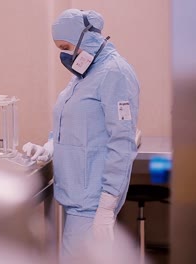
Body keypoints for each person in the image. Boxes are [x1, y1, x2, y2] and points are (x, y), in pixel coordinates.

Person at [23, 8, 139, 260]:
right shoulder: (83, 75)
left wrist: (106, 207)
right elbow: (73, 126)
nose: (63, 55)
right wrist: (49, 147)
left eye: (65, 46)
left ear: (84, 38)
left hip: (92, 203)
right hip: (75, 198)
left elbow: (122, 142)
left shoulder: (114, 72)